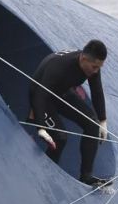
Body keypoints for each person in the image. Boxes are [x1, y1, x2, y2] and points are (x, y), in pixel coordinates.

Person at [29, 40, 109, 185]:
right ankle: (44, 177)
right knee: (60, 137)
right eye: (94, 67)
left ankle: (86, 176)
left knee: (92, 124)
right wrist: (41, 127)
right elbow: (39, 95)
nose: (96, 71)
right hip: (41, 94)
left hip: (62, 91)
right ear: (83, 59)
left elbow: (97, 91)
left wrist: (103, 121)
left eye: (99, 67)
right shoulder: (59, 68)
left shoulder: (92, 65)